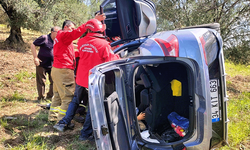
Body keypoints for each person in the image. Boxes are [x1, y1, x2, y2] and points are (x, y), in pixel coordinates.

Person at [53, 18, 120, 136]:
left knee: (75, 100)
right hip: (94, 80)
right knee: (91, 106)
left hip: (81, 77)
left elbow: (82, 53)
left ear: (89, 29)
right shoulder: (104, 44)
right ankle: (85, 133)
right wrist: (119, 57)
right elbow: (110, 60)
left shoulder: (81, 41)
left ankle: (63, 123)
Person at [48, 14, 106, 122]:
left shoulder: (62, 39)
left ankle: (53, 116)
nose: (73, 30)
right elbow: (77, 33)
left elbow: (72, 52)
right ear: (66, 27)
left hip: (56, 69)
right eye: (72, 28)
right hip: (64, 70)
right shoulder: (64, 35)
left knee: (57, 95)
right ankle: (63, 120)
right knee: (68, 97)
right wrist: (93, 21)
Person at [31, 26, 61, 101]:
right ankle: (41, 97)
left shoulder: (58, 40)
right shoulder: (45, 38)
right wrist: (35, 58)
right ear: (52, 32)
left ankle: (50, 96)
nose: (59, 34)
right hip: (42, 64)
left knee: (54, 81)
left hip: (53, 64)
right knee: (41, 81)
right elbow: (33, 44)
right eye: (58, 32)